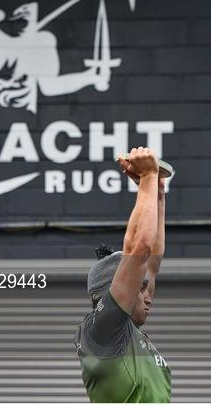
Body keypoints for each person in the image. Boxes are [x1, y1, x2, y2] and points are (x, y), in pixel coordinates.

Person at [74, 147, 171, 402]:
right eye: (140, 288)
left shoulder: (126, 332)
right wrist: (148, 177)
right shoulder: (103, 333)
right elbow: (140, 247)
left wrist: (157, 193)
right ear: (115, 291)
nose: (148, 296)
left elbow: (151, 260)